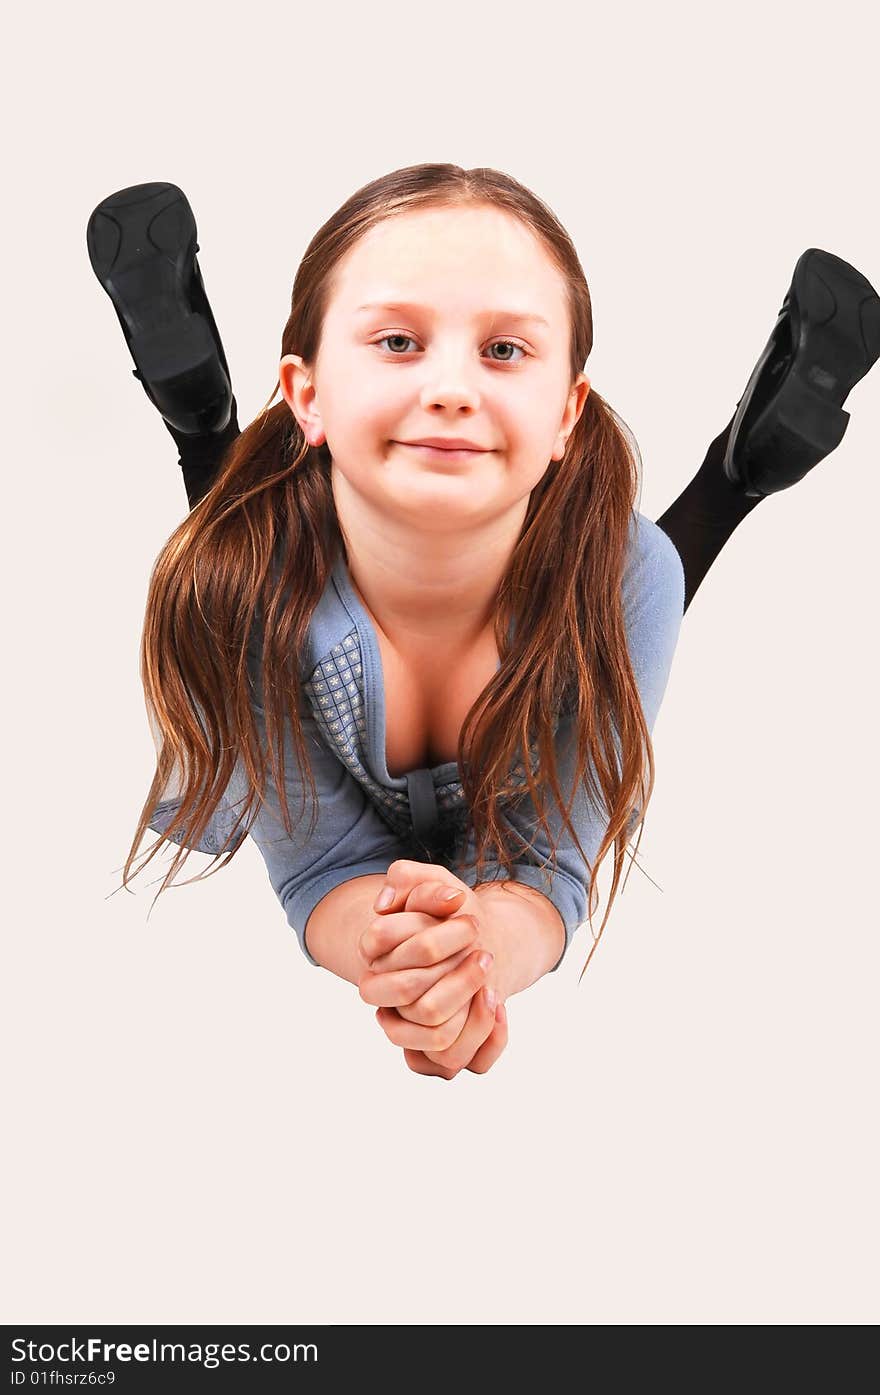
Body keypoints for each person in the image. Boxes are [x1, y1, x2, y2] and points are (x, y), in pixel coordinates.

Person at [90, 169, 880, 1079]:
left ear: (568, 416)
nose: (453, 388)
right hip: (266, 597)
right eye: (397, 340)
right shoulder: (234, 601)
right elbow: (321, 863)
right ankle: (204, 424)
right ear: (305, 395)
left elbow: (550, 862)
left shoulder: (630, 576)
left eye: (504, 351)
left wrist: (474, 963)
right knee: (239, 569)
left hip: (581, 599)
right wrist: (401, 967)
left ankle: (741, 468)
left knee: (625, 587)